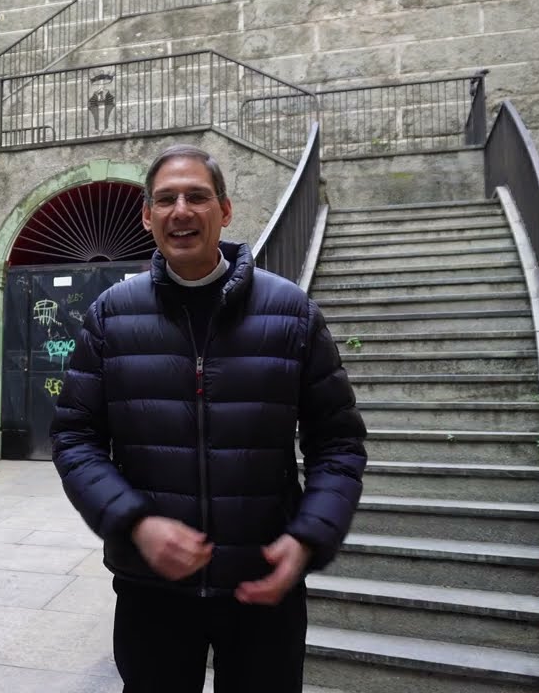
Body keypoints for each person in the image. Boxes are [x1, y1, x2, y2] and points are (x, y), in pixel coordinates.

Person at [49, 144, 368, 692]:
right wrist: (135, 522)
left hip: (263, 587)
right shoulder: (110, 316)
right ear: (147, 216)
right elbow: (75, 437)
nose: (181, 211)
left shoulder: (291, 313)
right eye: (166, 199)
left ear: (225, 210)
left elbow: (338, 443)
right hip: (150, 591)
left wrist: (310, 534)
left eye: (197, 196)